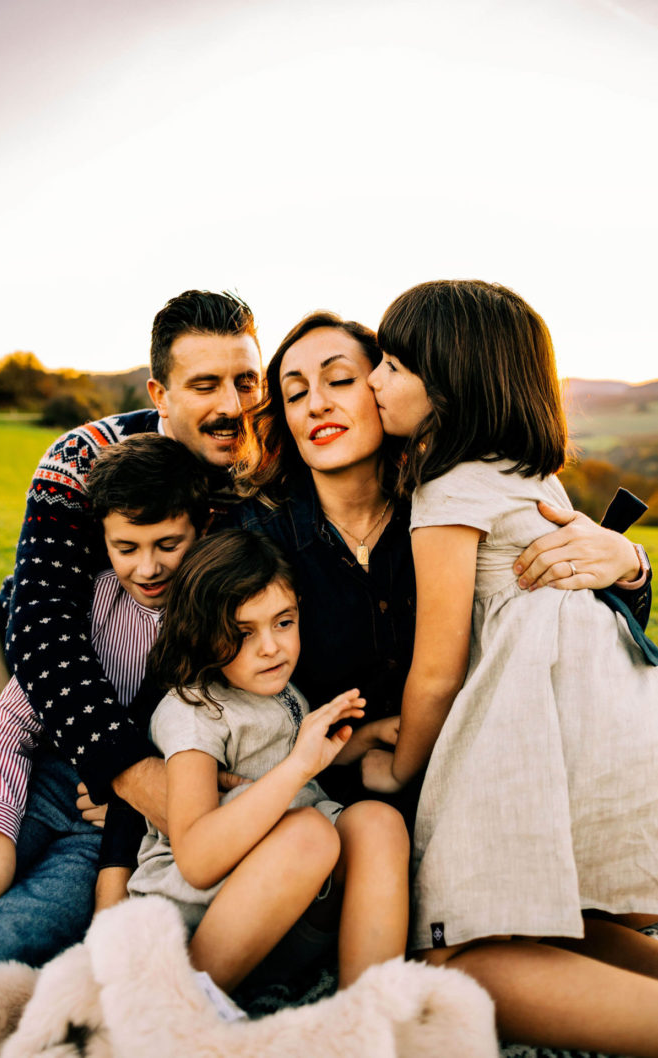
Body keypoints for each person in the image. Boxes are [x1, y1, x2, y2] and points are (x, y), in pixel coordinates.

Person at [363, 278, 658, 1058]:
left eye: (392, 365)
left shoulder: (446, 486)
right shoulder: (530, 477)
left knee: (450, 954)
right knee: (576, 921)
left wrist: (400, 769)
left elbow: (437, 668)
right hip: (604, 719)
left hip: (535, 729)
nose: (372, 380)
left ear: (451, 382)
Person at [231, 310, 650, 817]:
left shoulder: (458, 509)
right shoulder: (252, 537)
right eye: (295, 394)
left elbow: (565, 631)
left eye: (340, 380)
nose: (316, 404)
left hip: (485, 794)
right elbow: (219, 696)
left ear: (390, 388)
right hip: (324, 806)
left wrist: (630, 567)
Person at [0, 290, 261, 839]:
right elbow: (41, 627)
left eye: (246, 381)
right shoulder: (81, 457)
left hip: (98, 700)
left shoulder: (269, 484)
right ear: (160, 395)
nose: (232, 407)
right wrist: (132, 774)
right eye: (205, 385)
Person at [0, 434, 207, 964]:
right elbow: (7, 727)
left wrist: (130, 807)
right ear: (103, 540)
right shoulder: (89, 606)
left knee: (16, 935)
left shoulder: (217, 625)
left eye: (168, 544)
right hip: (31, 785)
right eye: (127, 548)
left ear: (200, 529)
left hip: (103, 832)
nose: (147, 568)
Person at [127, 529, 410, 993]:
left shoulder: (275, 686)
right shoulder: (195, 712)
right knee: (308, 834)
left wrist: (364, 738)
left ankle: (369, 1008)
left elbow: (300, 762)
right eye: (242, 633)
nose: (271, 647)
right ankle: (180, 1004)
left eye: (283, 622)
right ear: (200, 633)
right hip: (198, 925)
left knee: (378, 822)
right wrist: (299, 765)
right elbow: (197, 859)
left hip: (287, 918)